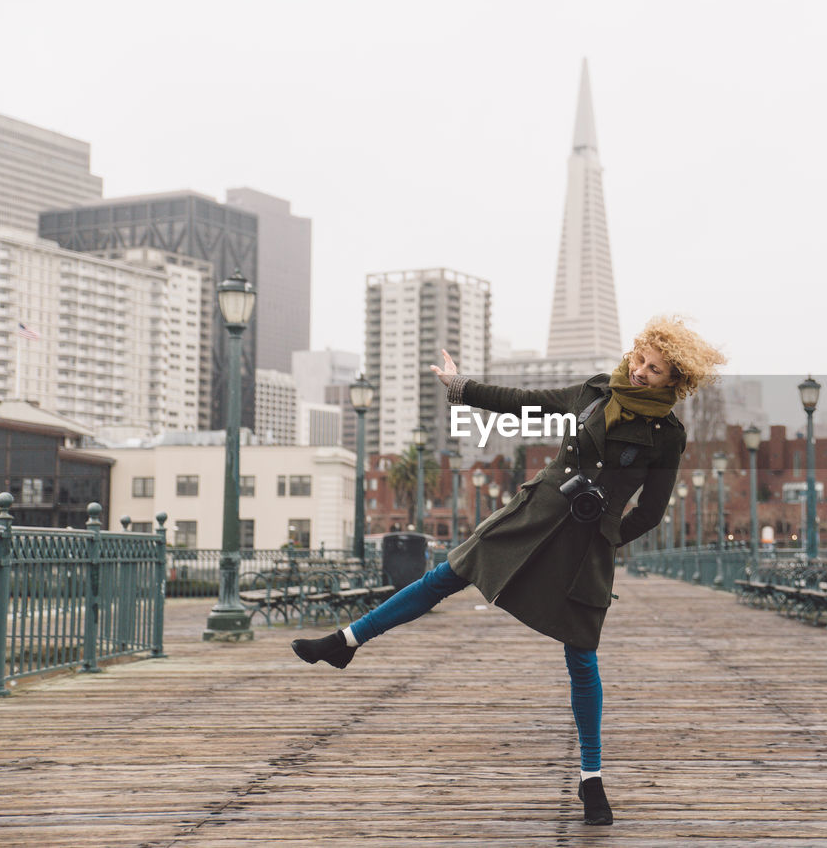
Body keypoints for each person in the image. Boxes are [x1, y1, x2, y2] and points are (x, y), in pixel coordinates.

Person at [292, 315, 725, 826]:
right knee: (442, 577)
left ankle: (592, 780)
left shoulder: (668, 436)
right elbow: (525, 402)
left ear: (676, 382)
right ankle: (346, 642)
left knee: (581, 656)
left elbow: (651, 512)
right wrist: (461, 386)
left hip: (588, 543)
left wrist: (607, 536)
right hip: (534, 513)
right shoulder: (592, 393)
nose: (639, 372)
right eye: (640, 359)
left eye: (654, 370)